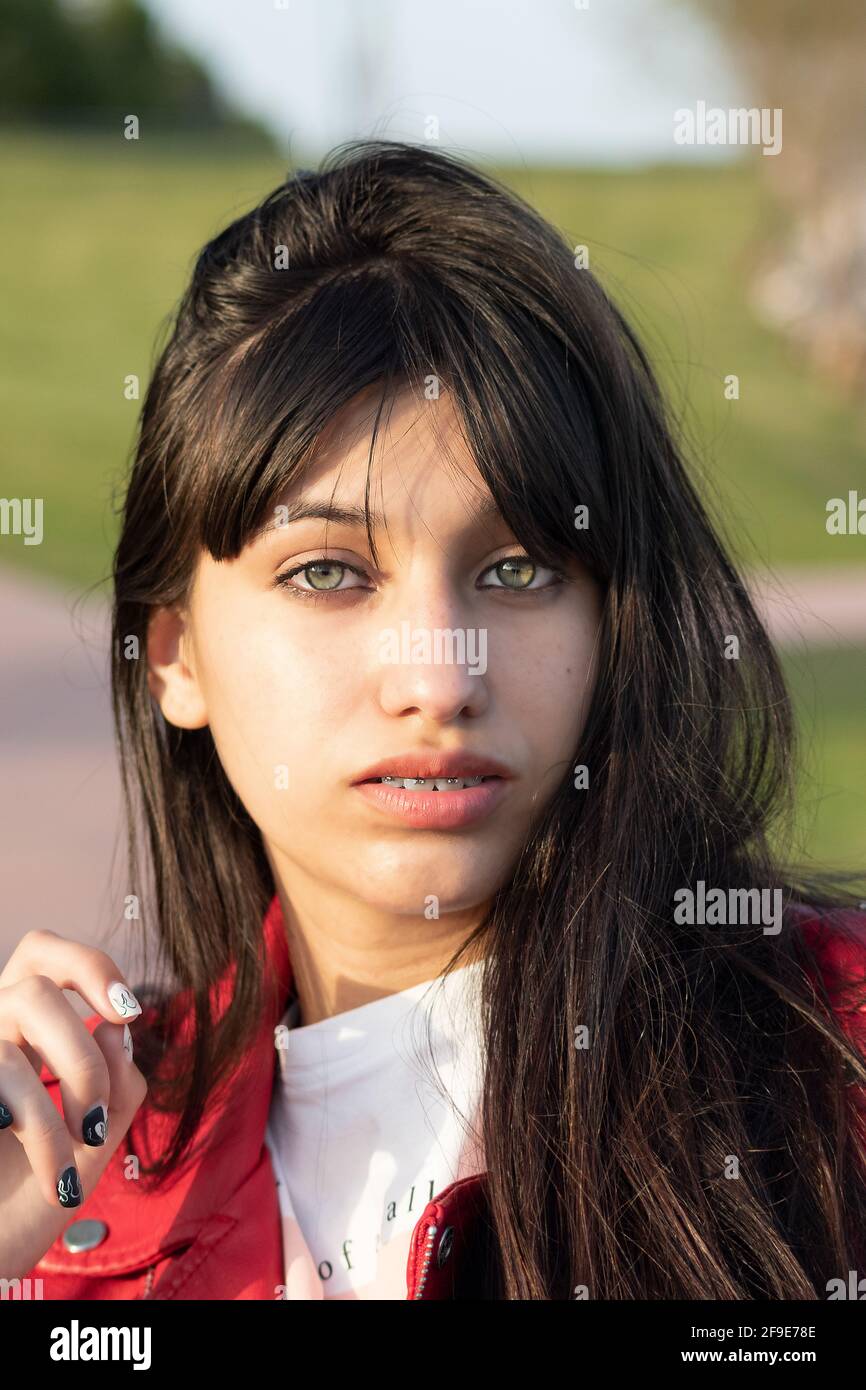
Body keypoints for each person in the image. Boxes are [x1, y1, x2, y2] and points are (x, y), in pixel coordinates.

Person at [2, 140, 865, 1301]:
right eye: (325, 573)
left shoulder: (836, 1070)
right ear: (176, 655)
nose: (438, 679)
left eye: (516, 571)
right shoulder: (63, 1192)